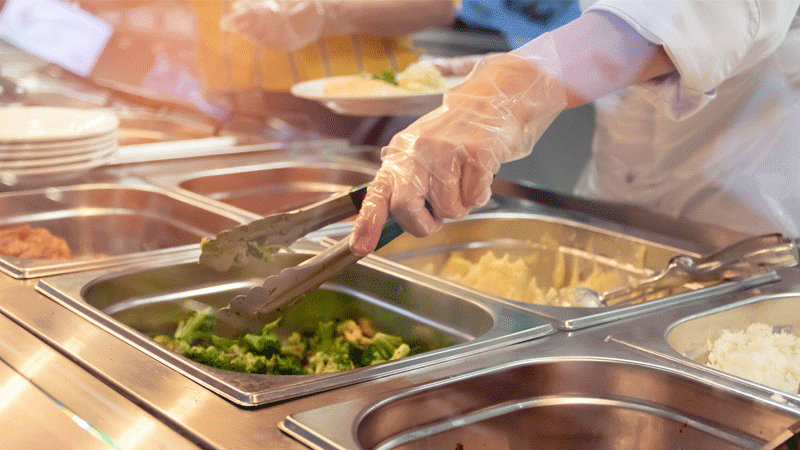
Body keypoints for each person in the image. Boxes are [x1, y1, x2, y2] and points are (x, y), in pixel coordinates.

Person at [350, 0, 800, 256]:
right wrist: (528, 64)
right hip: (617, 196)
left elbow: (686, 16)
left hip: (745, 202)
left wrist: (503, 91)